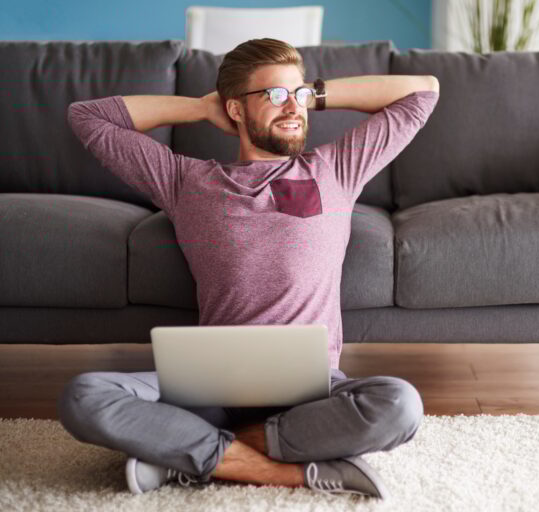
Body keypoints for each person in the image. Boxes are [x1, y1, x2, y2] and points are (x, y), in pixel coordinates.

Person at [56, 38, 440, 500]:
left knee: (400, 406)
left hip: (312, 392)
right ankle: (289, 471)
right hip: (207, 394)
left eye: (297, 95)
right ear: (235, 110)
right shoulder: (185, 180)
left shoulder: (336, 169)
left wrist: (312, 93)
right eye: (275, 96)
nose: (292, 107)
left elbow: (423, 91)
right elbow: (87, 116)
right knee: (84, 396)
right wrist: (201, 107)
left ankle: (191, 455)